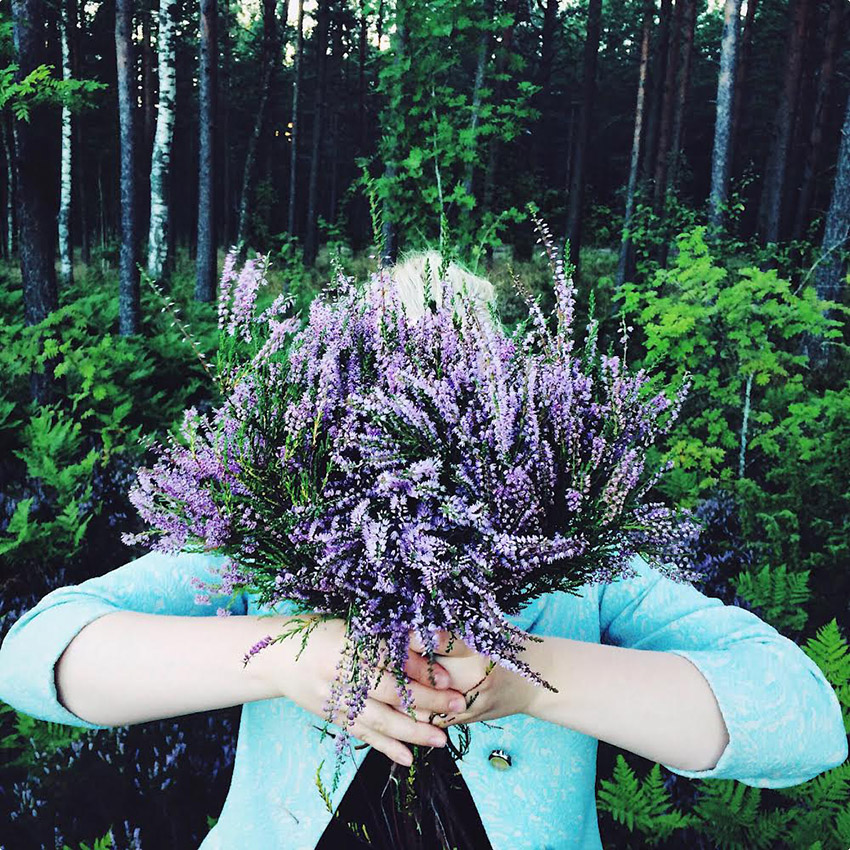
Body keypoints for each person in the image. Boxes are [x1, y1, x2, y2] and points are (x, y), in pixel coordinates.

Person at [0, 253, 846, 850]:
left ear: (513, 402)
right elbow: (34, 656)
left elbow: (805, 724)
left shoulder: (580, 571)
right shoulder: (269, 543)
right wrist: (286, 658)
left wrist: (530, 676)